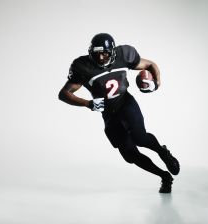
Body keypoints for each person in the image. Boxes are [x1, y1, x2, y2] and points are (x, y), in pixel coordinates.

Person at [58, 33, 180, 193]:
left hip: (126, 103)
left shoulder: (124, 55)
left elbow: (150, 64)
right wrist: (88, 103)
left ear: (113, 52)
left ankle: (162, 151)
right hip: (109, 114)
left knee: (140, 137)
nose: (101, 57)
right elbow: (64, 94)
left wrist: (156, 84)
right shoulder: (82, 66)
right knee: (130, 154)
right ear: (91, 52)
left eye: (105, 53)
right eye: (97, 53)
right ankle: (164, 177)